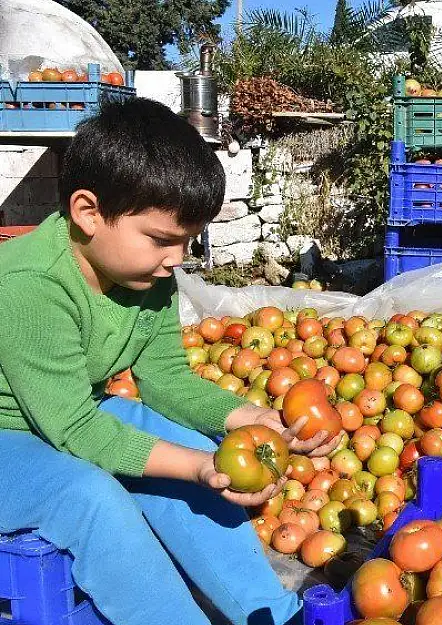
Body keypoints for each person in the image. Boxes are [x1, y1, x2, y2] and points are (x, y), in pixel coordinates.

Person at [0, 98, 338, 625]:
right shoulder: (31, 285)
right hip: (8, 440)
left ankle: (271, 613)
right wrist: (201, 469)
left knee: (192, 450)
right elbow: (75, 430)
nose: (177, 259)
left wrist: (247, 419)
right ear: (88, 213)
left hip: (64, 418)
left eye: (186, 241)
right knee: (89, 498)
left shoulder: (148, 278)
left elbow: (165, 380)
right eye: (161, 239)